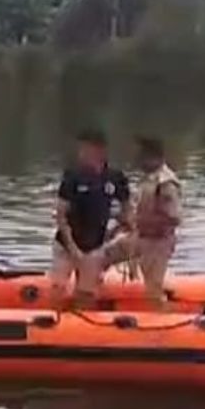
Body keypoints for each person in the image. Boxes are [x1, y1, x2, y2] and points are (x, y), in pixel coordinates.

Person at [51, 129, 133, 307]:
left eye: (85, 149)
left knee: (86, 295)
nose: (81, 154)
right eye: (80, 149)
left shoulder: (115, 178)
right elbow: (60, 216)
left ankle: (82, 326)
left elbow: (127, 212)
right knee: (57, 289)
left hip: (94, 246)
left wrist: (115, 233)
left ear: (99, 151)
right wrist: (73, 249)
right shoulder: (72, 177)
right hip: (67, 244)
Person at [100, 136, 183, 308]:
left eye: (141, 155)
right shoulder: (148, 179)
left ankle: (163, 320)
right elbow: (137, 210)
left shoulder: (165, 183)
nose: (137, 159)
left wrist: (146, 223)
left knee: (153, 291)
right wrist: (119, 227)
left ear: (154, 157)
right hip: (139, 236)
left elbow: (174, 218)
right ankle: (97, 295)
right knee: (103, 256)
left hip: (158, 242)